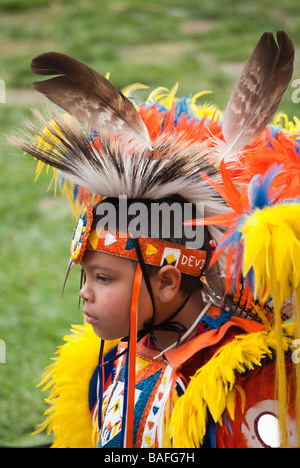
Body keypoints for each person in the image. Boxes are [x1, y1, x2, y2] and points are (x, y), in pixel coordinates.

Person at [10, 30, 300, 448]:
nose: (84, 296)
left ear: (167, 281)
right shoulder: (112, 361)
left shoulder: (250, 386)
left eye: (104, 278)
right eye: (86, 277)